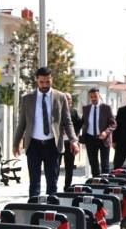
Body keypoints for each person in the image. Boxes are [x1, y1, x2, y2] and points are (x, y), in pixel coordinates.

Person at [13, 66, 80, 200]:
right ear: (37, 80)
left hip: (52, 145)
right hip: (33, 145)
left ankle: (52, 211)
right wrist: (16, 143)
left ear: (51, 80)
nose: (45, 85)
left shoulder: (60, 97)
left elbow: (67, 121)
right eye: (42, 82)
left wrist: (74, 140)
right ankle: (33, 210)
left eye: (47, 82)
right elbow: (22, 123)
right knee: (34, 182)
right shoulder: (27, 98)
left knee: (52, 182)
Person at [79, 88, 116, 176]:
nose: (93, 98)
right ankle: (96, 183)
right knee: (93, 164)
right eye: (91, 97)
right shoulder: (86, 109)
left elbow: (113, 124)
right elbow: (82, 122)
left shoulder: (106, 108)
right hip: (90, 138)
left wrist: (106, 132)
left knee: (105, 165)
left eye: (95, 96)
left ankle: (105, 184)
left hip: (103, 139)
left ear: (99, 96)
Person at [60, 99, 82, 189]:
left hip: (70, 143)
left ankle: (67, 186)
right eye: (65, 98)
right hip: (59, 143)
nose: (67, 100)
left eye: (69, 99)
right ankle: (53, 186)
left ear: (71, 102)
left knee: (69, 167)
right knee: (55, 166)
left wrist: (75, 139)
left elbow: (79, 124)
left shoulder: (74, 112)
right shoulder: (57, 110)